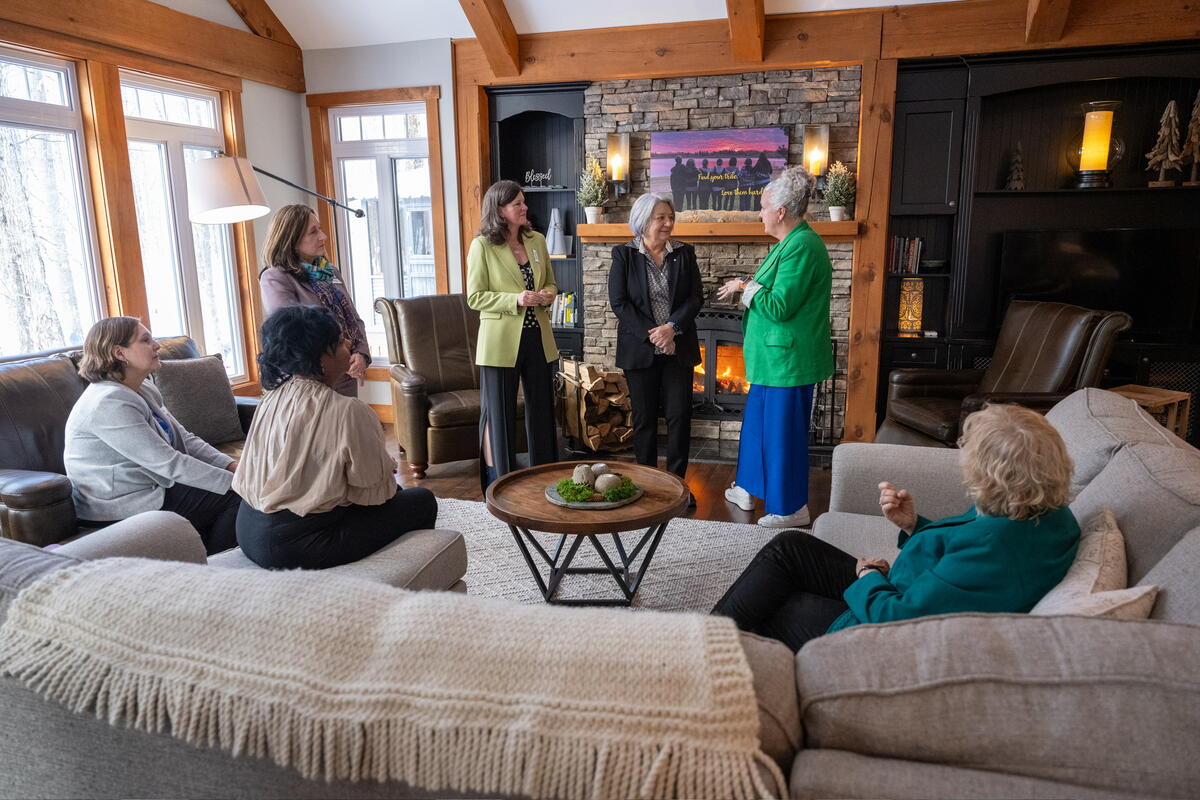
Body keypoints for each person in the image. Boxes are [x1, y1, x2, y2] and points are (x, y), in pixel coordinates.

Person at [712, 403, 1080, 652]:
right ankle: (706, 637)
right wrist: (914, 525)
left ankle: (704, 650)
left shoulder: (996, 544)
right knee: (790, 547)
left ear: (996, 475)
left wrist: (869, 576)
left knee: (774, 605)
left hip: (878, 632)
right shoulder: (1041, 511)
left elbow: (900, 619)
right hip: (899, 588)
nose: (964, 463)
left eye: (971, 457)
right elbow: (958, 561)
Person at [233, 305, 437, 570]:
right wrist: (383, 468)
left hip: (247, 528)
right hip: (298, 544)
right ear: (320, 357)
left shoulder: (270, 399)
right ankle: (405, 576)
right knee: (421, 501)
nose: (349, 343)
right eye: (340, 341)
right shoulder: (349, 410)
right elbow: (375, 495)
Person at [716, 165, 832, 528]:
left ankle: (791, 508)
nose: (760, 214)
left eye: (763, 207)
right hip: (772, 360)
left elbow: (780, 305)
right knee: (758, 430)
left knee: (783, 436)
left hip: (788, 362)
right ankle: (747, 488)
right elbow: (771, 290)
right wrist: (745, 285)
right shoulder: (788, 244)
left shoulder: (803, 246)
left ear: (781, 211)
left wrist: (743, 287)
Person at [64, 317, 240, 554]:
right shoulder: (108, 403)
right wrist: (237, 483)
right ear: (119, 353)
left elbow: (185, 439)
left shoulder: (142, 387)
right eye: (145, 340)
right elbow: (168, 462)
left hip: (155, 484)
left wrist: (233, 467)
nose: (156, 345)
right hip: (118, 504)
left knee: (239, 491)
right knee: (238, 498)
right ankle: (209, 565)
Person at [608, 193, 703, 503]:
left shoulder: (684, 253)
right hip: (640, 350)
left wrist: (671, 328)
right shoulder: (624, 255)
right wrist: (655, 335)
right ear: (643, 220)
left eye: (670, 217)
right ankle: (646, 486)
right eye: (660, 218)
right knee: (644, 421)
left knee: (679, 418)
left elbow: (695, 298)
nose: (668, 223)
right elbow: (619, 303)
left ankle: (678, 488)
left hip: (678, 347)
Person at [466, 180, 559, 490]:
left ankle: (546, 480)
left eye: (523, 201)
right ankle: (501, 487)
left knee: (542, 412)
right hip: (499, 343)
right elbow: (475, 297)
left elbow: (551, 283)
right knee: (500, 416)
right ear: (499, 209)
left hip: (538, 338)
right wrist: (515, 299)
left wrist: (547, 294)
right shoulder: (482, 246)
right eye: (517, 203)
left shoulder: (537, 240)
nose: (524, 207)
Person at [259, 204, 370, 397]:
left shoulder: (330, 271)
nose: (323, 236)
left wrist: (361, 354)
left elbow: (353, 318)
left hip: (345, 372)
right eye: (313, 232)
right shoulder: (275, 277)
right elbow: (292, 334)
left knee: (348, 417)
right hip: (311, 380)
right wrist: (336, 357)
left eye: (320, 229)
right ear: (292, 240)